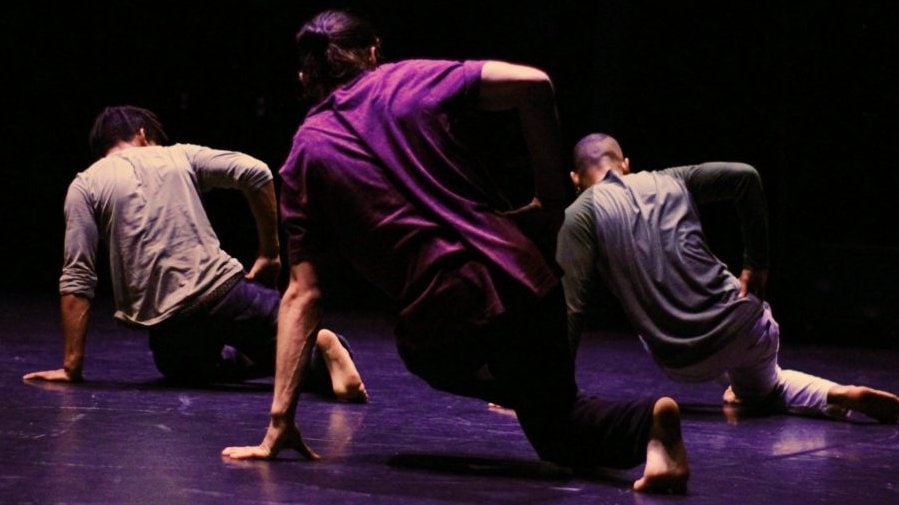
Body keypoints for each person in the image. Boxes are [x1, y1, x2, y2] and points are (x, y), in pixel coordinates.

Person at [221, 9, 690, 494]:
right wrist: (552, 201)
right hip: (526, 277)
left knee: (421, 353)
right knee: (557, 427)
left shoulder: (305, 155)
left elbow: (302, 292)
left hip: (446, 314)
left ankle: (573, 406)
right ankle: (649, 426)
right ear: (373, 53)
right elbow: (535, 83)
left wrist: (280, 419)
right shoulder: (413, 80)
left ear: (305, 78)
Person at [23, 105, 367, 403]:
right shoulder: (177, 155)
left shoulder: (86, 184)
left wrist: (72, 367)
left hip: (170, 322)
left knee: (181, 371)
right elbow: (257, 172)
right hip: (224, 293)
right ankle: (321, 349)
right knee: (309, 339)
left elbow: (77, 279)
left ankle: (313, 356)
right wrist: (270, 253)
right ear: (144, 135)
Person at [557, 132, 899, 423]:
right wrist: (757, 263)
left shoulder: (579, 214)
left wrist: (554, 392)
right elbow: (745, 176)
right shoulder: (671, 178)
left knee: (741, 385)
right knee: (765, 386)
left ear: (575, 178)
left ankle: (764, 387)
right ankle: (833, 394)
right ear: (626, 163)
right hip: (744, 326)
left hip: (681, 358)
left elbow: (571, 308)